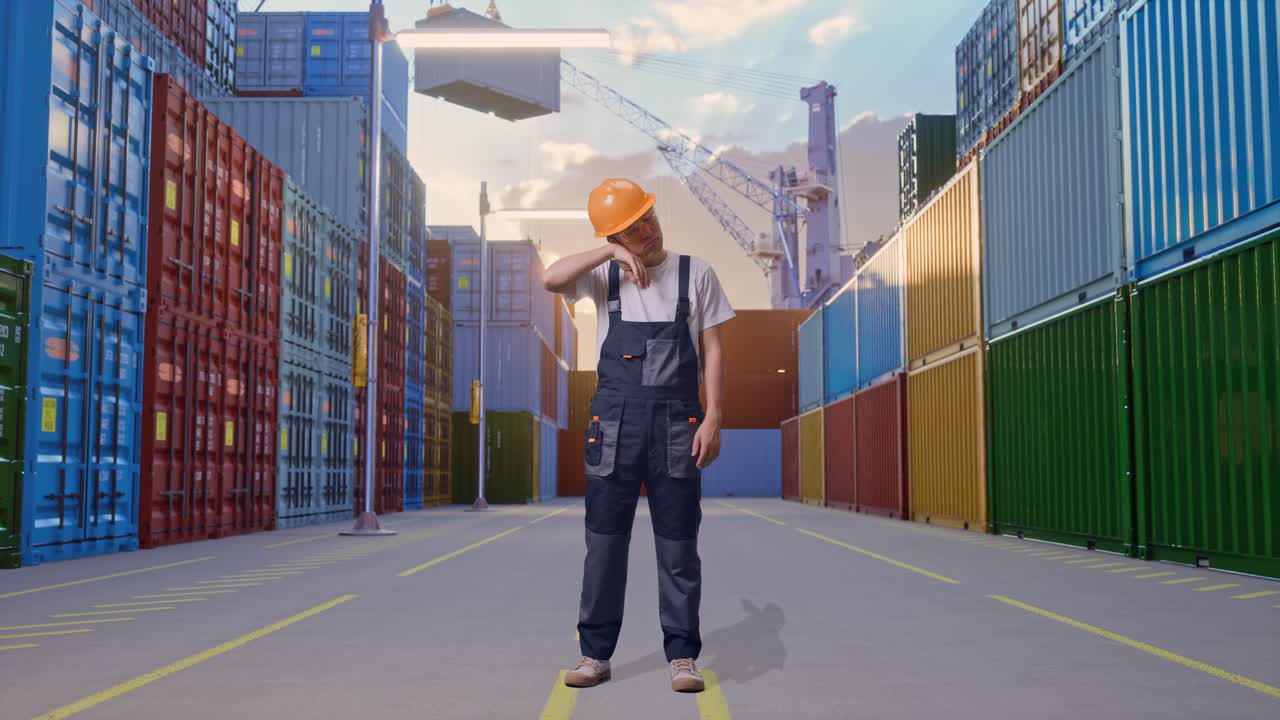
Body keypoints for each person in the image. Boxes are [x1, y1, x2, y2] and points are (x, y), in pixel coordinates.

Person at [542, 177, 735, 693]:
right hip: (614, 426)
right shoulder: (603, 276)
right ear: (615, 239)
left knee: (678, 545)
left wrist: (714, 416)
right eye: (630, 230)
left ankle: (682, 656)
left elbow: (713, 350)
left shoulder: (697, 273)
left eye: (647, 219)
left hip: (678, 425)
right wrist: (606, 252)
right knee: (604, 544)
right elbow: (550, 278)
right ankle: (594, 654)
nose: (646, 232)